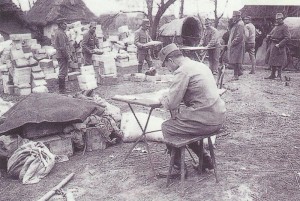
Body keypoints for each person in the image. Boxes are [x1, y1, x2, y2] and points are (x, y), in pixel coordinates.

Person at [158, 43, 226, 176]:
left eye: (166, 65)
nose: (168, 69)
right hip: (219, 116)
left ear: (170, 61)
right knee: (185, 126)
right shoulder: (198, 65)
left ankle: (178, 168)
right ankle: (206, 160)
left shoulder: (182, 70)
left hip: (206, 120)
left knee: (168, 127)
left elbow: (171, 104)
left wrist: (163, 97)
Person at [265, 13, 291, 80]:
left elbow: (287, 37)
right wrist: (269, 36)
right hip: (273, 44)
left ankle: (279, 75)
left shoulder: (285, 26)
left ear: (282, 19)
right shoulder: (276, 26)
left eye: (279, 19)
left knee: (279, 61)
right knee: (272, 60)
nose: (277, 20)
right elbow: (271, 34)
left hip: (279, 45)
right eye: (276, 19)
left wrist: (280, 44)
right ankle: (272, 75)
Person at [53, 18, 72, 93]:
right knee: (62, 72)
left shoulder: (61, 32)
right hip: (62, 55)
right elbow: (63, 47)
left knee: (63, 72)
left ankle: (63, 88)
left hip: (61, 55)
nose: (66, 25)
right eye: (64, 24)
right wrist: (68, 57)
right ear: (60, 25)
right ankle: (61, 89)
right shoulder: (60, 33)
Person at [228, 11, 245, 80]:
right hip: (236, 44)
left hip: (237, 44)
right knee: (235, 59)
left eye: (234, 16)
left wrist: (233, 43)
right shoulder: (237, 23)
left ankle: (236, 75)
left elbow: (239, 36)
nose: (233, 18)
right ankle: (239, 72)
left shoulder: (240, 24)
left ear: (238, 16)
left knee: (235, 60)